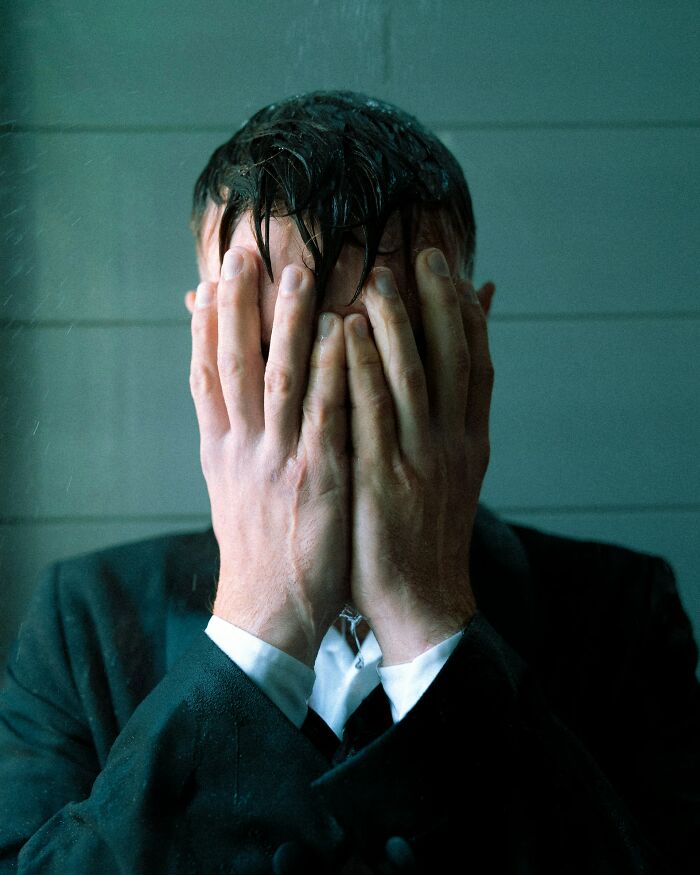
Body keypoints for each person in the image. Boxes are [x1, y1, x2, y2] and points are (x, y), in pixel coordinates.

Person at [0, 91, 698, 874]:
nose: (322, 396)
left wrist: (430, 620)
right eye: (272, 345)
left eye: (378, 339)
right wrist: (256, 630)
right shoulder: (82, 622)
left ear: (471, 340)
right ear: (206, 346)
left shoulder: (622, 616)